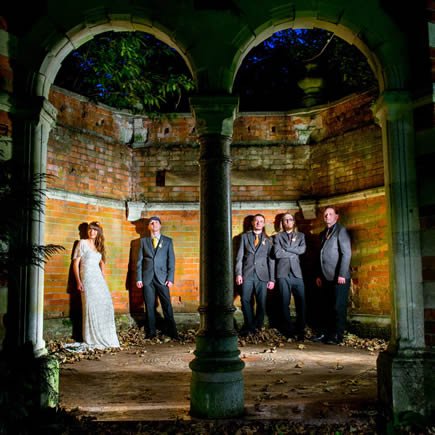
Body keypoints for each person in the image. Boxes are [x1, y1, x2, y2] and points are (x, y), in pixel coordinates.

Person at [71, 221, 120, 349]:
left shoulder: (100, 246)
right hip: (87, 278)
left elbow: (102, 267)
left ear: (98, 232)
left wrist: (104, 282)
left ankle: (105, 335)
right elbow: (75, 264)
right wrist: (78, 282)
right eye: (90, 229)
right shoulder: (82, 243)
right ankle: (91, 337)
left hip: (98, 278)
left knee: (106, 302)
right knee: (90, 306)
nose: (92, 232)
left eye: (94, 230)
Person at [313, 206, 352, 345]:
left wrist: (342, 274)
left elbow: (346, 253)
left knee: (338, 307)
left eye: (330, 214)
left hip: (339, 277)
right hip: (325, 276)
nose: (327, 216)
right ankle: (326, 334)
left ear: (337, 216)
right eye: (325, 214)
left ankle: (337, 335)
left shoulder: (341, 231)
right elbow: (321, 256)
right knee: (326, 306)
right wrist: (319, 275)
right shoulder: (323, 233)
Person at [136, 216, 179, 339]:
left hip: (162, 278)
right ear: (149, 227)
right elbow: (139, 261)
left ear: (160, 225)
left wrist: (170, 278)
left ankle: (172, 332)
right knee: (149, 306)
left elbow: (171, 261)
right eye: (151, 223)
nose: (153, 224)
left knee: (167, 305)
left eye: (156, 223)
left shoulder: (168, 241)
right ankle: (151, 333)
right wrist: (139, 278)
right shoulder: (143, 241)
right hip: (147, 278)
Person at [235, 213, 275, 336]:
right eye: (256, 221)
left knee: (261, 302)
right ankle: (249, 326)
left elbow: (271, 260)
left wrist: (272, 279)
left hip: (263, 275)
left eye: (261, 221)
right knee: (245, 300)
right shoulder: (244, 237)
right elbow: (239, 257)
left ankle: (257, 326)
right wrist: (238, 273)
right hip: (247, 274)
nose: (258, 223)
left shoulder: (268, 240)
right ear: (252, 223)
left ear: (264, 224)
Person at [272, 213, 307, 340]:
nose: (288, 222)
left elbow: (302, 250)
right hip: (282, 273)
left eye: (290, 219)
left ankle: (301, 329)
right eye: (285, 220)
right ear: (282, 222)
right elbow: (277, 253)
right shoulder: (277, 237)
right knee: (284, 302)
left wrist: (286, 248)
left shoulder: (301, 236)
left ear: (293, 222)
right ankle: (288, 330)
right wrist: (293, 250)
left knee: (301, 302)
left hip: (297, 274)